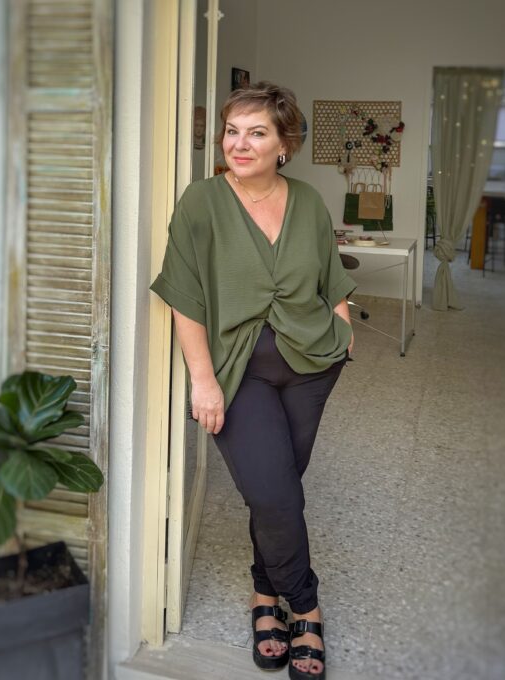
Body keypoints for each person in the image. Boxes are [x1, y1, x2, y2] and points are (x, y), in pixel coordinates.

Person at [150, 82, 355, 680]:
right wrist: (203, 381)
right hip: (238, 373)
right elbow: (184, 296)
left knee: (279, 490)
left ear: (283, 145)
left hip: (312, 366)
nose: (238, 144)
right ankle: (306, 608)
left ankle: (265, 596)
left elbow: (330, 276)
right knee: (272, 493)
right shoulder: (202, 202)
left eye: (256, 133)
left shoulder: (308, 202)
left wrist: (344, 329)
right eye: (231, 131)